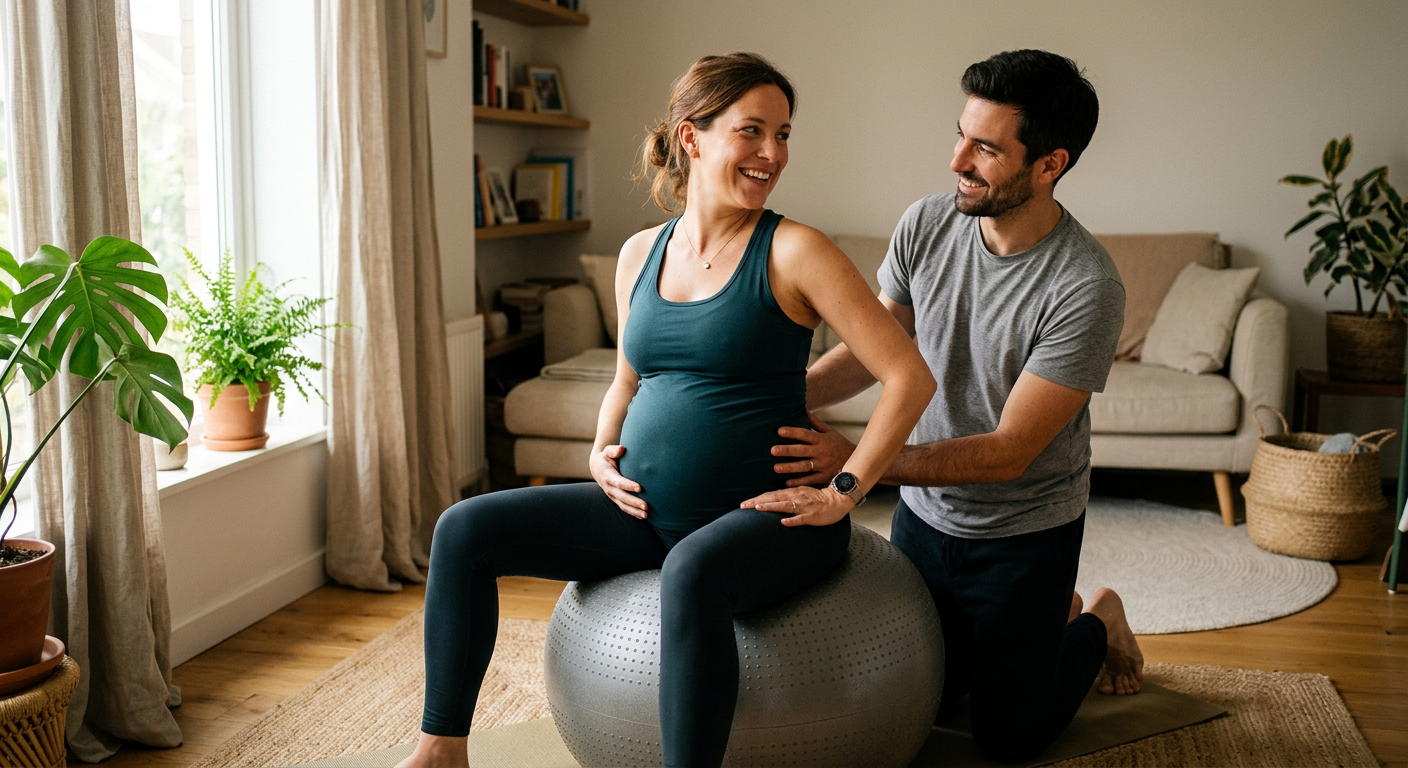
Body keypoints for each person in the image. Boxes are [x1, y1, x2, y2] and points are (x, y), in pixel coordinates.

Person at [396, 52, 934, 768]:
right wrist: (598, 449)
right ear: (692, 137)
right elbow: (628, 378)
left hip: (772, 521)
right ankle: (441, 750)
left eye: (783, 134)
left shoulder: (797, 250)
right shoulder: (639, 254)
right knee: (464, 530)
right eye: (752, 131)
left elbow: (908, 376)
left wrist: (845, 491)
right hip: (644, 511)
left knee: (692, 571)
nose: (772, 153)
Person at [764, 49, 1144, 763]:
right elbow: (878, 350)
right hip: (926, 518)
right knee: (915, 700)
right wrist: (775, 395)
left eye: (986, 148)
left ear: (1049, 165)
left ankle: (1097, 620)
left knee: (1008, 738)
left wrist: (859, 464)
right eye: (961, 134)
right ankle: (1042, 627)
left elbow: (1007, 454)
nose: (956, 160)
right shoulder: (927, 224)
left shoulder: (1085, 286)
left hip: (1026, 532)